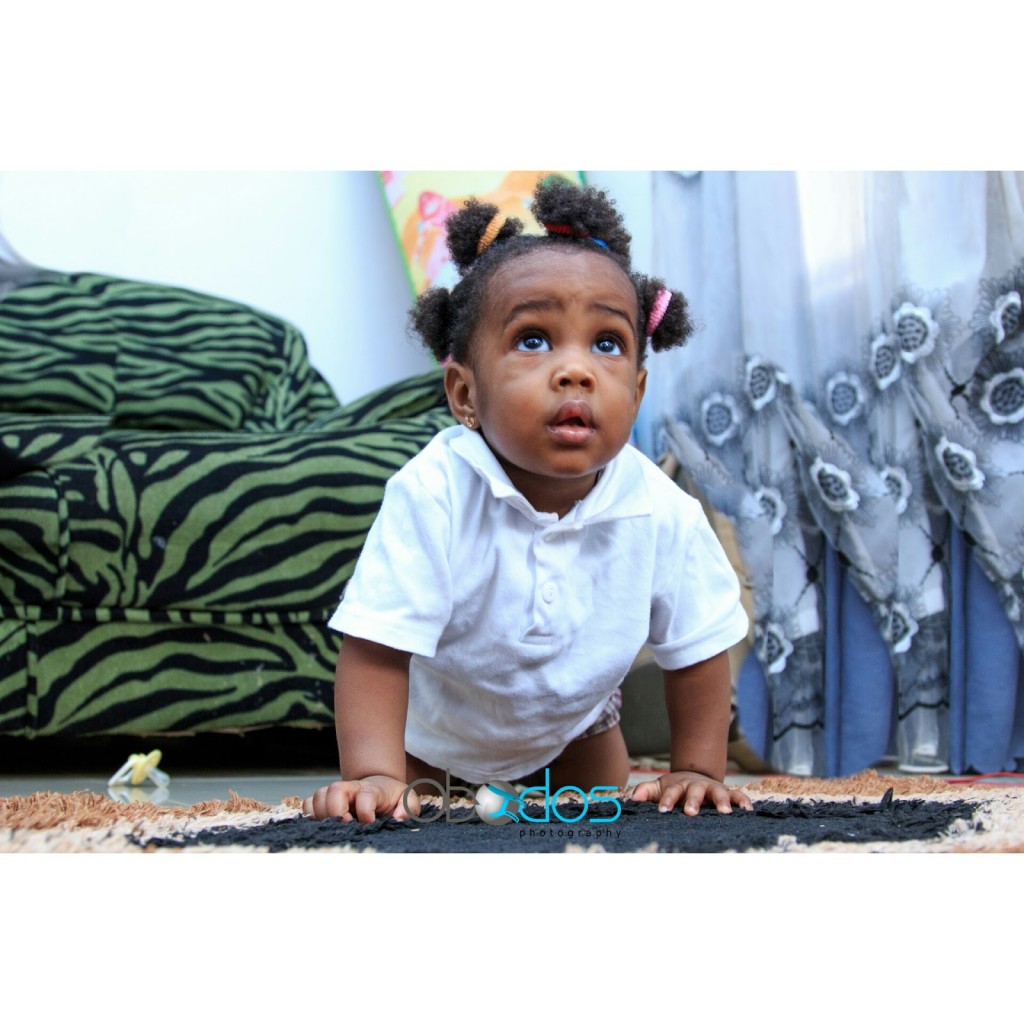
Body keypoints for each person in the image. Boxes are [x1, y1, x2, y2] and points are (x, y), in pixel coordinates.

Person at [304, 178, 752, 824]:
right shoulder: (434, 492)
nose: (576, 371)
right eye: (534, 339)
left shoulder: (663, 511)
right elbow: (377, 645)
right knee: (409, 814)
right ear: (465, 395)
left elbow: (698, 645)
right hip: (437, 732)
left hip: (575, 729)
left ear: (637, 392)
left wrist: (698, 769)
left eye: (607, 343)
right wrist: (373, 774)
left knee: (602, 813)